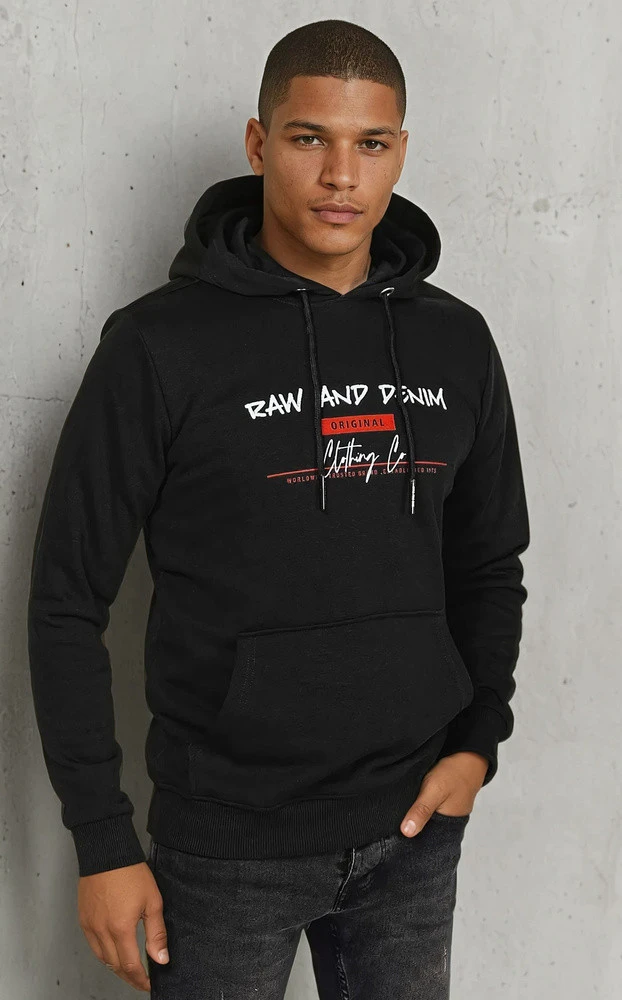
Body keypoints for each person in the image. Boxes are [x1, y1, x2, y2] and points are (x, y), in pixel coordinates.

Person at [26, 18, 530, 998]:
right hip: (226, 852)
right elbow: (65, 600)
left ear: (400, 153)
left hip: (415, 836)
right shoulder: (157, 348)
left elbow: (486, 562)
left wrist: (478, 740)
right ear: (259, 144)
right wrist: (101, 842)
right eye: (309, 138)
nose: (341, 175)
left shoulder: (457, 342)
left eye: (370, 143)